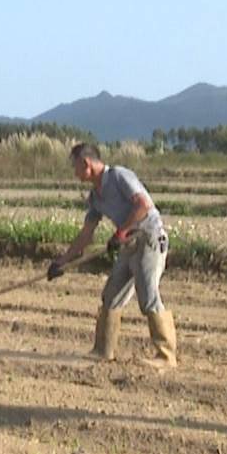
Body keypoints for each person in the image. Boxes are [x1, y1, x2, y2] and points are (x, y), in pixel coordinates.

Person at [46, 142, 178, 367]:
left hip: (148, 238)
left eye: (75, 166)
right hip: (127, 243)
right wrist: (62, 262)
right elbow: (86, 234)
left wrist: (121, 231)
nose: (74, 172)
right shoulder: (95, 197)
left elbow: (143, 206)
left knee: (147, 296)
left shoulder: (119, 176)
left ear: (86, 163)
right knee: (111, 295)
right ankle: (103, 350)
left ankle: (166, 356)